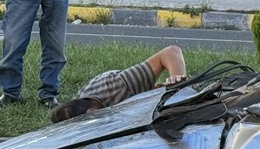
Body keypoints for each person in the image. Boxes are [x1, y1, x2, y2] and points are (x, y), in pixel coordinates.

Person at [51, 45, 187, 123]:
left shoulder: (118, 85)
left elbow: (170, 52)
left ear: (93, 112)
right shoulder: (75, 111)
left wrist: (176, 82)